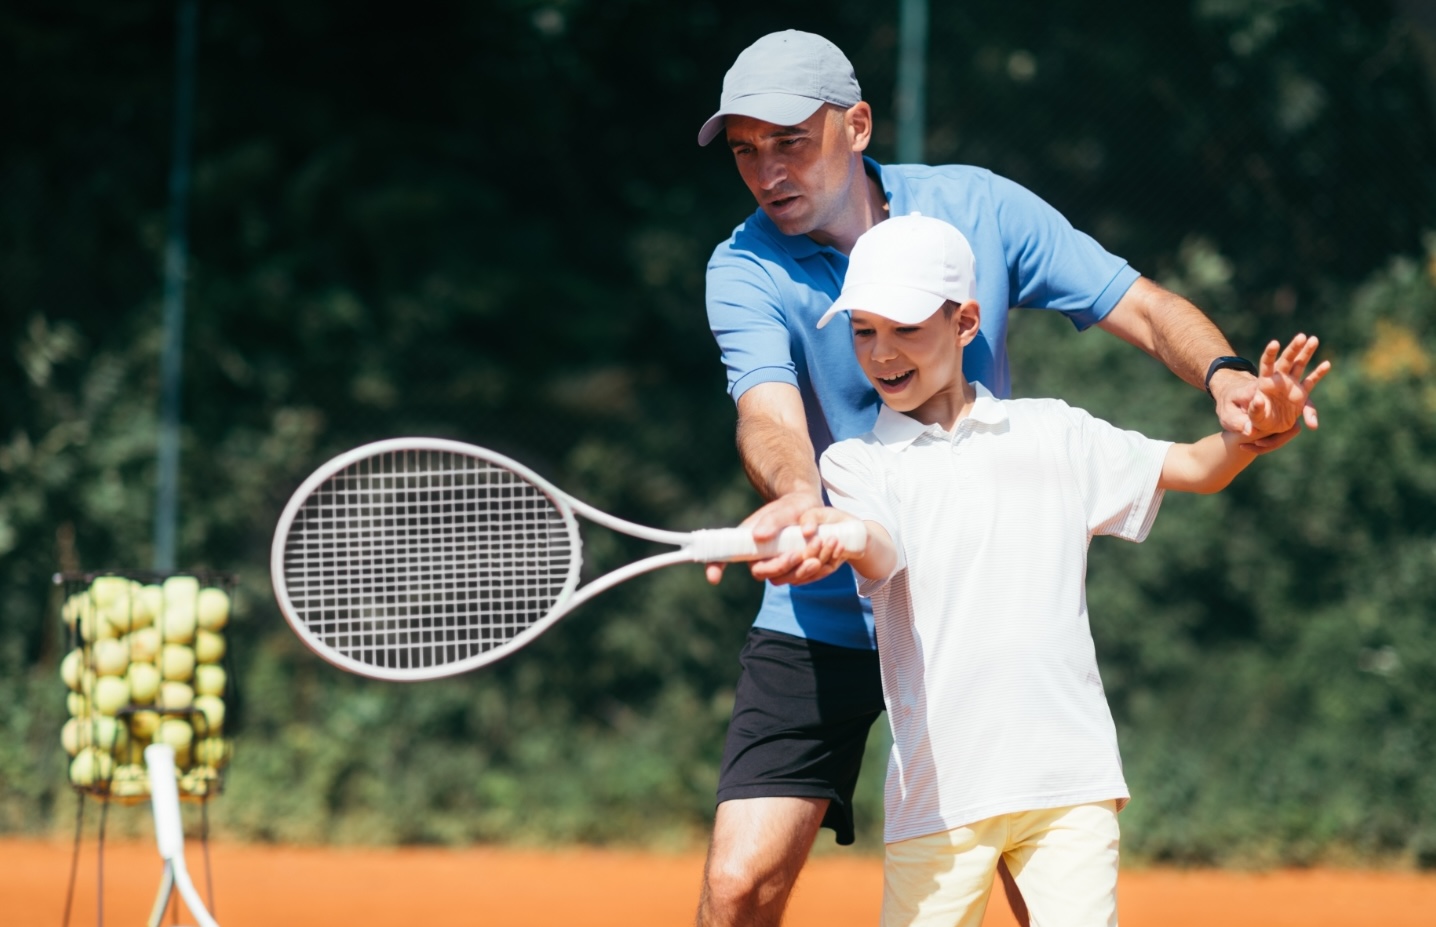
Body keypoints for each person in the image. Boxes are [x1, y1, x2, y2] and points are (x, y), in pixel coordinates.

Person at [693, 29, 1317, 927]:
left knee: (1043, 889)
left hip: (970, 612)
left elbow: (1137, 304)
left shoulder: (977, 209)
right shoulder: (744, 264)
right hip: (828, 595)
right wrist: (799, 498)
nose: (767, 172)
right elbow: (768, 411)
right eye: (747, 152)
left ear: (857, 125)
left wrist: (1228, 382)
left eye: (790, 141)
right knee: (738, 884)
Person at [800, 213, 1328, 927]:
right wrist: (838, 531)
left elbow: (1198, 466)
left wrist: (1257, 431)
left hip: (1070, 779)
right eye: (863, 330)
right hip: (940, 794)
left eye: (905, 328)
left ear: (965, 323)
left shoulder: (1056, 430)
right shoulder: (854, 462)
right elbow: (880, 546)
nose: (881, 352)